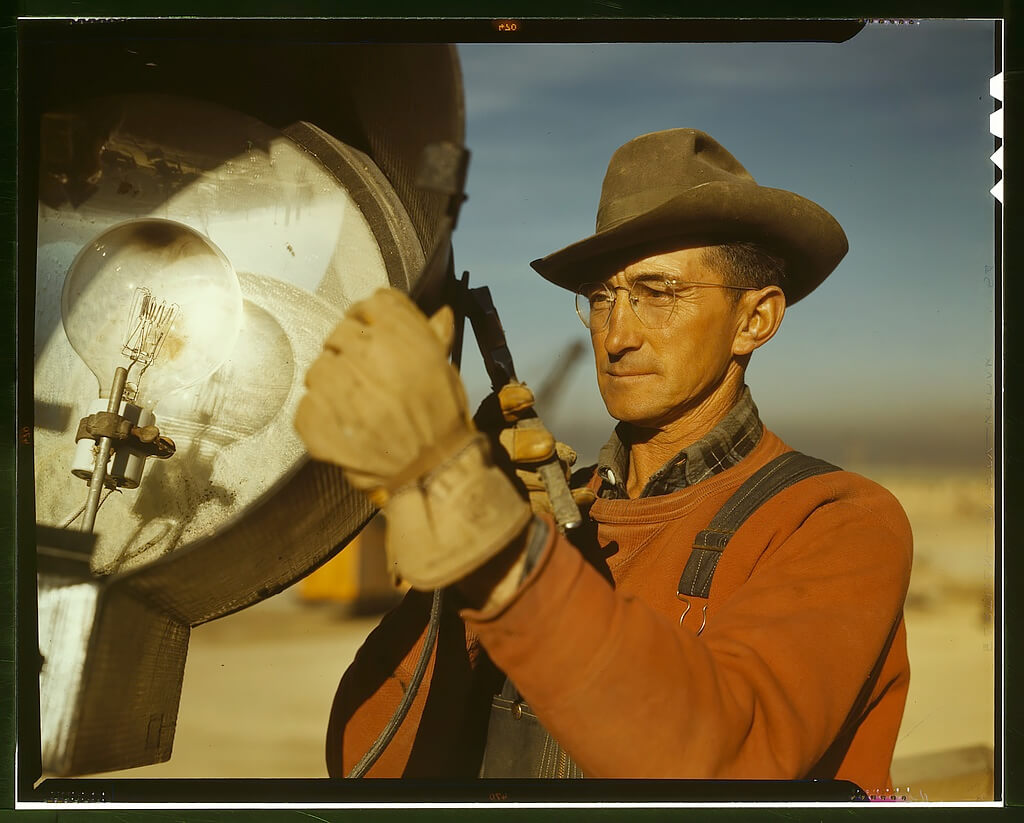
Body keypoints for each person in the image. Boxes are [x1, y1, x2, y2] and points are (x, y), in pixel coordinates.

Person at [294, 128, 913, 789]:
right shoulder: (544, 513)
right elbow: (366, 765)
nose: (616, 336)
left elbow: (723, 758)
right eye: (601, 297)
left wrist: (493, 545)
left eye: (659, 292)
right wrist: (457, 578)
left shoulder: (835, 521)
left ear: (754, 319)